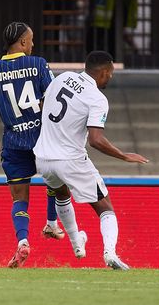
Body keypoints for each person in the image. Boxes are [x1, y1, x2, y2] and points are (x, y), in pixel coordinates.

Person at [33, 51, 149, 270]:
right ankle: (110, 253)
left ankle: (77, 244)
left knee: (61, 194)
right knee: (105, 209)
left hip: (43, 158)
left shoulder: (62, 78)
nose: (111, 78)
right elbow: (96, 140)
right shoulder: (97, 99)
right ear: (104, 72)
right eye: (111, 73)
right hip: (70, 160)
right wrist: (124, 156)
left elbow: (42, 105)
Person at [0, 21, 65, 269]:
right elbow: (54, 98)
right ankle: (51, 223)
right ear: (23, 42)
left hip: (13, 141)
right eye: (32, 39)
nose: (33, 44)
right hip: (42, 138)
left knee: (19, 198)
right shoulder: (38, 64)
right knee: (55, 182)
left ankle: (23, 241)